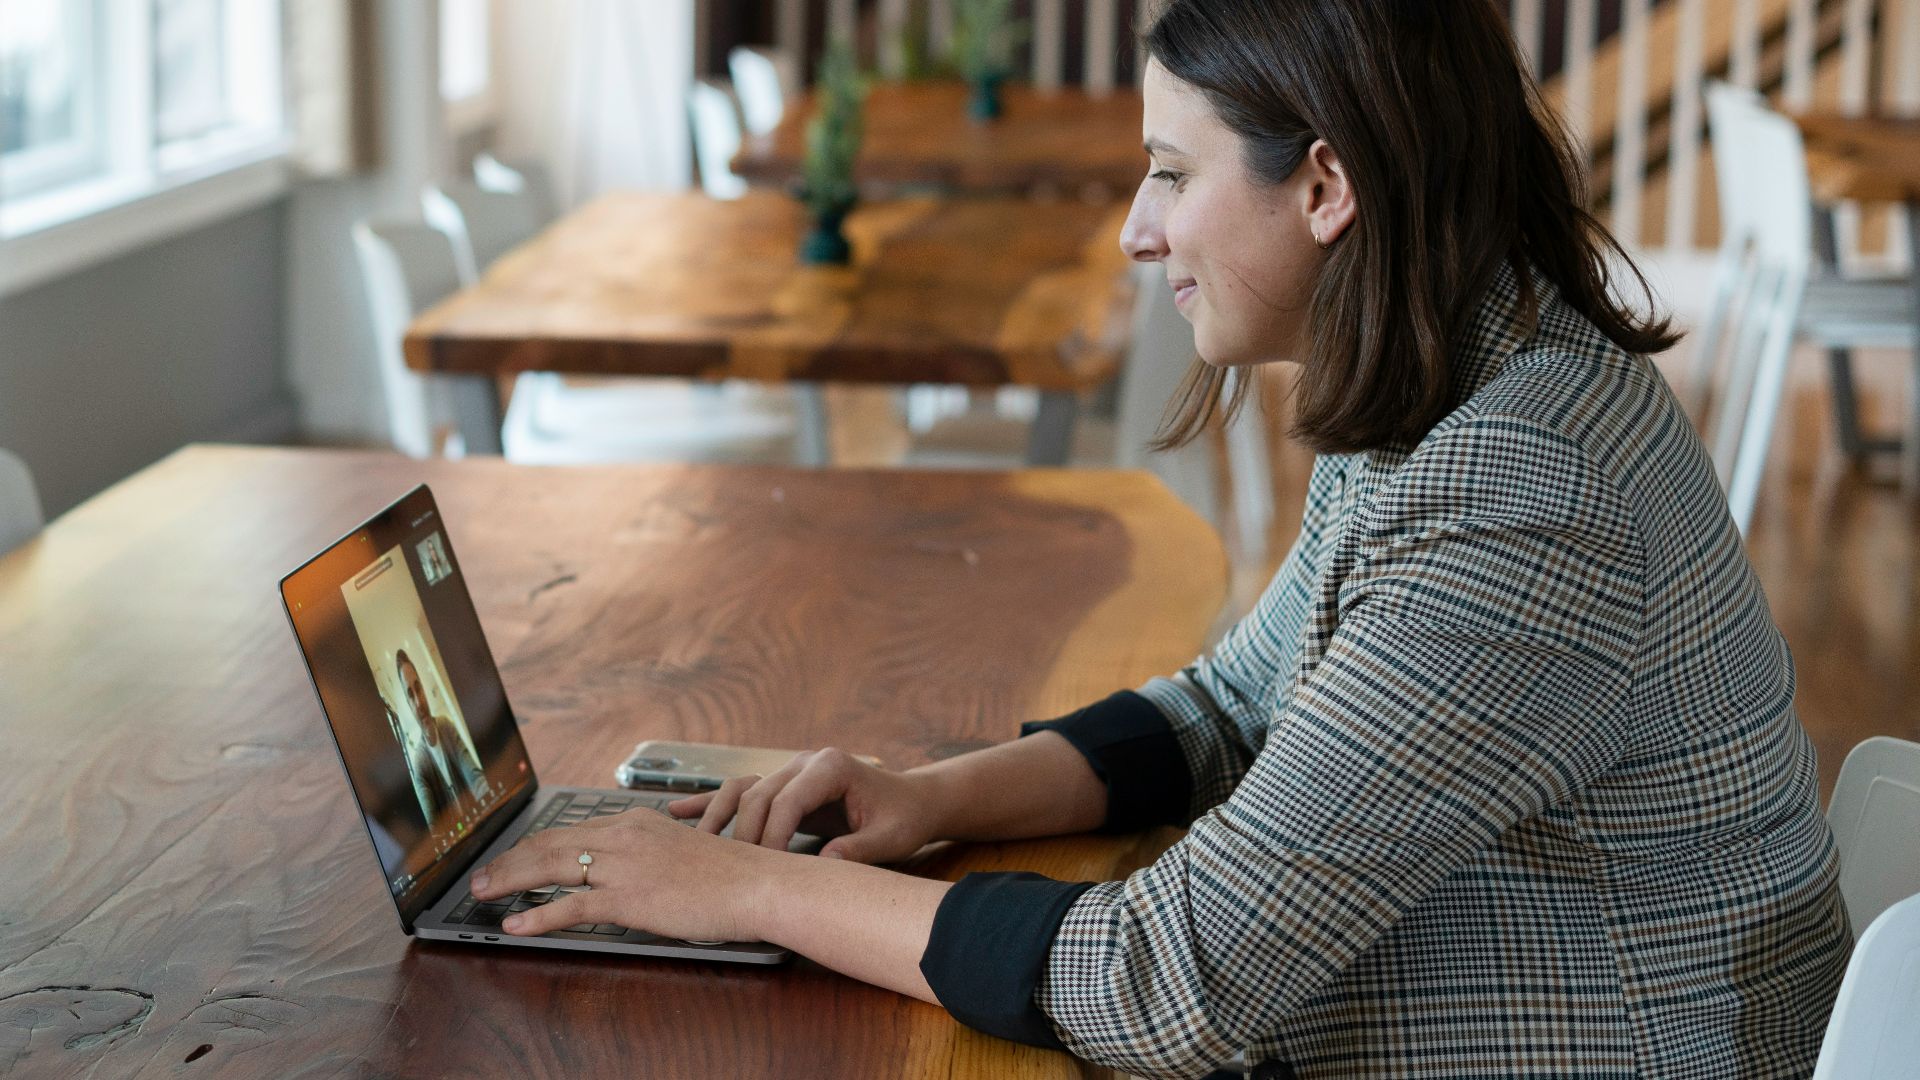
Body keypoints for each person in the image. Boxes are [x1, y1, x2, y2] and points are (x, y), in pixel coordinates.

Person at [468, 2, 1851, 1076]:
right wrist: (936, 797)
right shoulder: (1465, 374)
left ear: (1325, 186)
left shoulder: (1529, 483)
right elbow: (1235, 705)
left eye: (1172, 174)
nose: (1138, 232)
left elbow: (1167, 983)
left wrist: (750, 894)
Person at [397, 649, 487, 812]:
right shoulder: (419, 765)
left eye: (418, 688)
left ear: (424, 688)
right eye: (410, 695)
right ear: (408, 703)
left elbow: (476, 779)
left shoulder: (446, 726)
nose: (418, 702)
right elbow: (434, 829)